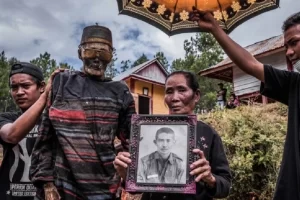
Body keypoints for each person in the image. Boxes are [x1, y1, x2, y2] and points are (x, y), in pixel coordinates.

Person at [192, 8, 300, 200]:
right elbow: (251, 64)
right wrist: (215, 28)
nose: (289, 52)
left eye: (294, 43)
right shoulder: (294, 84)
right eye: (286, 47)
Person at [29, 25, 136, 200]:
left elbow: (132, 141)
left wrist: (128, 180)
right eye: (90, 51)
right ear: (80, 53)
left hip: (105, 188)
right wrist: (46, 183)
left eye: (105, 53)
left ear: (111, 57)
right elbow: (45, 138)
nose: (97, 58)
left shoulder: (120, 91)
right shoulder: (62, 82)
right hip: (63, 187)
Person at [114, 71, 232, 200]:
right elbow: (136, 189)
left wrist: (210, 179)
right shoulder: (146, 130)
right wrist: (127, 174)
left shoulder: (208, 134)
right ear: (155, 141)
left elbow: (225, 186)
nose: (174, 98)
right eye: (169, 91)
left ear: (196, 95)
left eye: (182, 90)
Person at [0, 62, 61, 200]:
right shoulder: (6, 118)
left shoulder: (55, 119)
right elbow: (11, 135)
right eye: (14, 87)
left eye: (26, 86)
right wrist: (45, 96)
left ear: (41, 87)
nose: (19, 92)